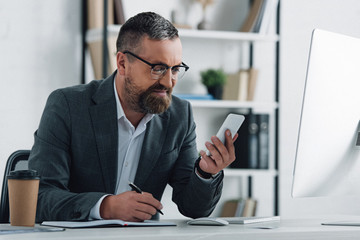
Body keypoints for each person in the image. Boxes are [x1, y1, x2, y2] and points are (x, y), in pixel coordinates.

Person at [28, 12, 238, 222]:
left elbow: (193, 209)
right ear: (122, 63)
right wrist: (105, 207)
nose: (168, 82)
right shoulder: (67, 106)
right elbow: (38, 197)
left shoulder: (179, 116)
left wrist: (204, 173)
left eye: (175, 69)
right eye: (158, 68)